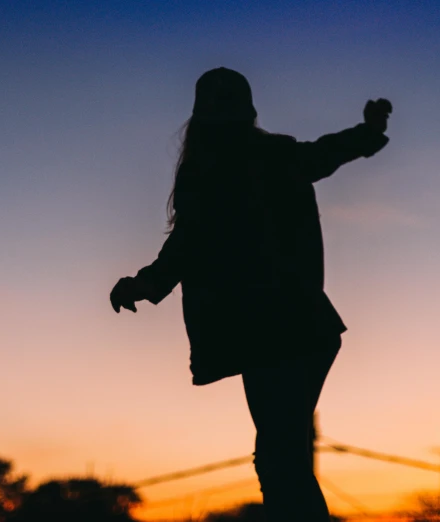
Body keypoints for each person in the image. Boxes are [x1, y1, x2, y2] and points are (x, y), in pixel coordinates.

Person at [110, 67, 391, 522]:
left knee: (280, 459)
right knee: (284, 456)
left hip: (271, 333)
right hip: (306, 328)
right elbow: (325, 153)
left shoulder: (209, 170)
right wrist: (368, 132)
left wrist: (147, 283)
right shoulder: (273, 155)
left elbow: (186, 243)